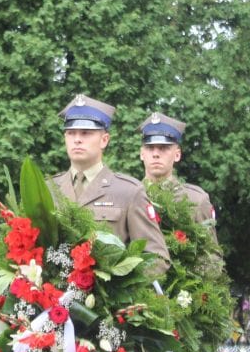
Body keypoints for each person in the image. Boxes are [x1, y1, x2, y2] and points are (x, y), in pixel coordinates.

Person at [49, 94, 169, 270]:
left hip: (108, 294)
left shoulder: (128, 192)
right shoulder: (49, 189)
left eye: (86, 133)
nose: (77, 139)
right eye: (71, 133)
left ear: (104, 140)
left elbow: (157, 258)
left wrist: (122, 288)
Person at [138, 112, 217, 241]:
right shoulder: (129, 195)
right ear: (142, 154)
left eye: (163, 148)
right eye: (150, 147)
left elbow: (211, 255)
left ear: (177, 155)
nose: (156, 154)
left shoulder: (196, 200)